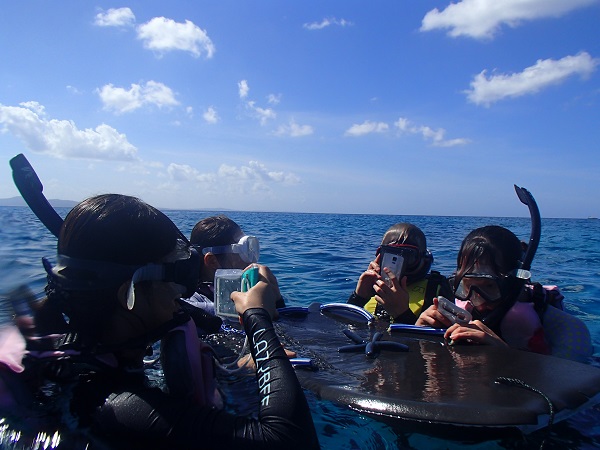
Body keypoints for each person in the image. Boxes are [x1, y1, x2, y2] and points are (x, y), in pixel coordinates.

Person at [2, 194, 319, 449]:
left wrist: (236, 370)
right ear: (130, 295)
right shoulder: (116, 406)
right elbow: (289, 441)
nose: (182, 294)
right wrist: (256, 317)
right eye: (175, 279)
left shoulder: (97, 355)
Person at [416, 225, 593, 362]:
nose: (478, 301)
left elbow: (570, 388)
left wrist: (504, 357)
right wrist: (419, 336)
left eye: (489, 286)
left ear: (516, 282)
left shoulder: (569, 329)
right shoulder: (458, 314)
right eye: (467, 286)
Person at [179, 215, 285, 334]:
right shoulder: (194, 305)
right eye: (244, 251)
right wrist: (257, 310)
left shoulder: (236, 292)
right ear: (212, 261)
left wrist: (277, 300)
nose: (252, 261)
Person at [347, 223, 452, 324]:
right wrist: (358, 298)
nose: (398, 266)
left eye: (409, 257)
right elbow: (343, 327)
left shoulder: (435, 289)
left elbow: (447, 334)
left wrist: (402, 314)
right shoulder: (372, 285)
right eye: (391, 256)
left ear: (423, 258)